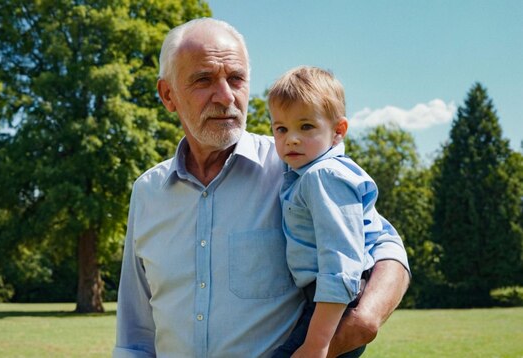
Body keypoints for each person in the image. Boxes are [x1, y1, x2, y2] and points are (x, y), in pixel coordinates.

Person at [114, 18, 410, 358]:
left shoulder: (299, 167)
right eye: (204, 79)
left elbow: (384, 244)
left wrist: (365, 317)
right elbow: (135, 336)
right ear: (168, 95)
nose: (226, 96)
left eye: (236, 79)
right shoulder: (147, 192)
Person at [268, 66, 402, 358]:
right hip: (325, 301)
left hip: (333, 303)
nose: (291, 138)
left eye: (306, 127)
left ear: (338, 131)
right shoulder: (304, 174)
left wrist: (317, 344)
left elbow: (340, 263)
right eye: (281, 128)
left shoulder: (323, 175)